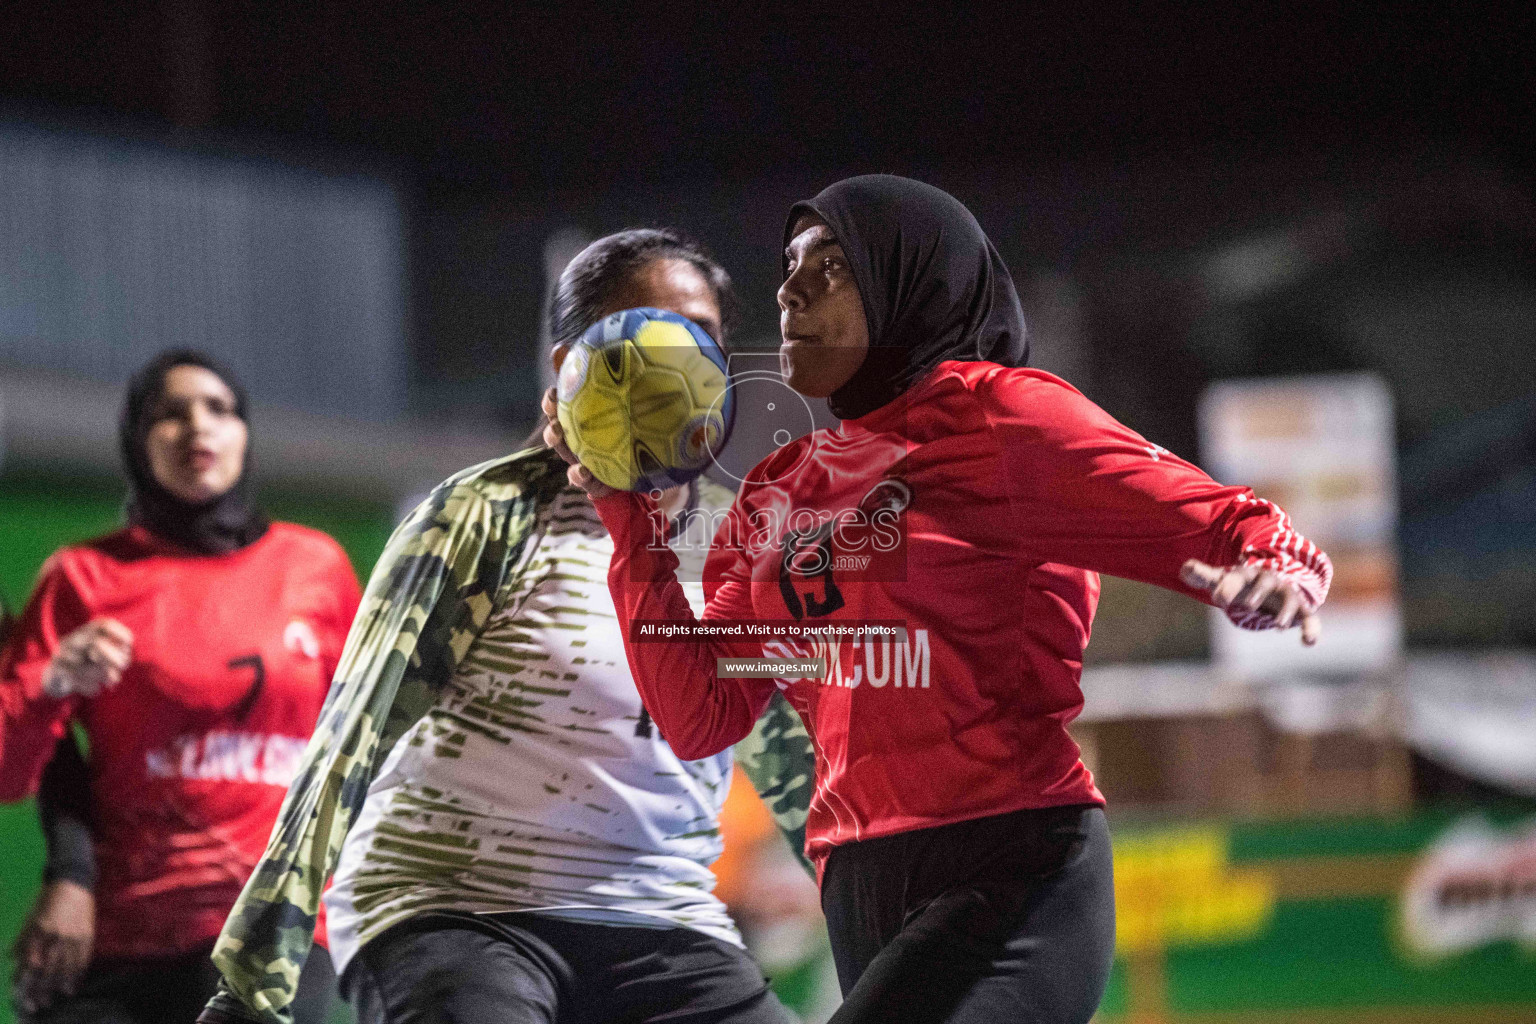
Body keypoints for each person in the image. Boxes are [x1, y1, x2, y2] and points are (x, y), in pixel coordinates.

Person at [544, 175, 1335, 1024]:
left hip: (1009, 866)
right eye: (789, 263)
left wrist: (1279, 578)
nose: (790, 286)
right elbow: (705, 710)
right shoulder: (777, 490)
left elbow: (1230, 526)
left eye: (833, 264)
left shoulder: (998, 420)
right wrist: (629, 518)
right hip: (857, 880)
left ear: (907, 282)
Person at [198, 228, 816, 1024]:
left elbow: (804, 778)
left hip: (663, 923)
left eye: (701, 338)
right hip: (455, 907)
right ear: (568, 368)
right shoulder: (483, 517)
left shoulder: (738, 542)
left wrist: (908, 944)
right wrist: (252, 982)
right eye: (644, 335)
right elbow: (348, 742)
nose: (678, 361)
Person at [0, 350, 363, 1024]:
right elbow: (8, 774)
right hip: (124, 929)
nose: (198, 428)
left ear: (245, 434)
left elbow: (368, 743)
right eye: (170, 414)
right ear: (138, 444)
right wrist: (50, 684)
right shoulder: (82, 578)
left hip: (276, 920)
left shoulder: (315, 566)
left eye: (219, 410)